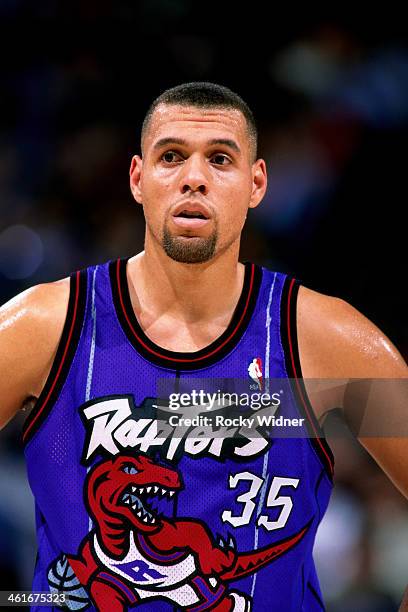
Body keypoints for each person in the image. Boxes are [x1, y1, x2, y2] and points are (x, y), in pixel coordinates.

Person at [0, 82, 407, 611]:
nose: (194, 178)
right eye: (171, 157)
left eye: (220, 159)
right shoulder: (43, 328)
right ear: (138, 178)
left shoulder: (327, 343)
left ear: (256, 183)